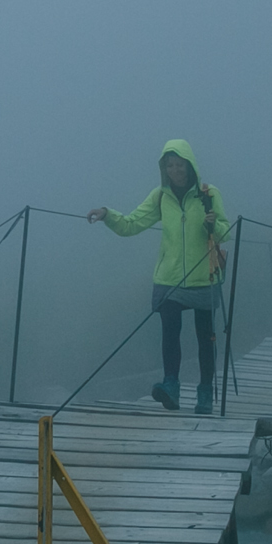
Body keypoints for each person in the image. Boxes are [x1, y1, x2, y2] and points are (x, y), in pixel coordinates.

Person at [87, 138, 231, 413]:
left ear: (190, 165)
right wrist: (107, 214)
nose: (175, 170)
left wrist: (214, 226)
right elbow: (131, 224)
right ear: (164, 168)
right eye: (170, 165)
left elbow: (226, 231)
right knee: (170, 332)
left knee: (205, 337)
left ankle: (205, 393)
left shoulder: (209, 193)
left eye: (180, 165)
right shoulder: (160, 196)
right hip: (169, 278)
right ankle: (171, 386)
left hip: (204, 276)